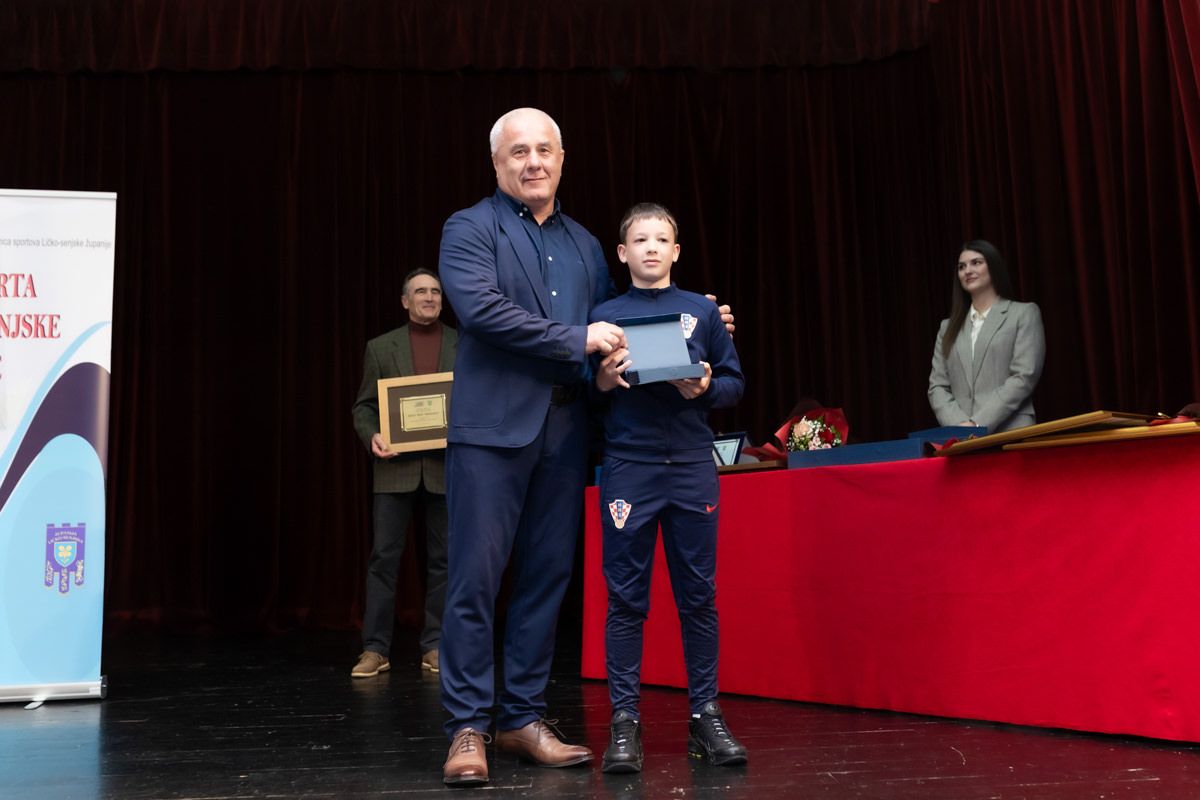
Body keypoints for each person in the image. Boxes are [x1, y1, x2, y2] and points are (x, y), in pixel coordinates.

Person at [436, 108, 734, 786]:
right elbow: (482, 311)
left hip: (567, 431)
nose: (533, 161)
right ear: (497, 163)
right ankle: (467, 727)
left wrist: (697, 320)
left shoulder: (588, 246)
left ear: (562, 159)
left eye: (544, 149)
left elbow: (623, 324)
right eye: (519, 152)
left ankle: (521, 718)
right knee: (476, 581)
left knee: (547, 580)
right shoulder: (469, 228)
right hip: (491, 433)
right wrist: (578, 339)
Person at [590, 203, 747, 773]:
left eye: (661, 239)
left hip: (689, 466)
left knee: (698, 597)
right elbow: (585, 391)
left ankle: (706, 715)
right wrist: (603, 379)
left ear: (676, 251)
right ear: (622, 252)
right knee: (626, 599)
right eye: (640, 239)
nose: (651, 247)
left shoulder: (700, 311)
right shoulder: (604, 316)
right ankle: (624, 722)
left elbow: (733, 383)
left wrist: (704, 387)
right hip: (628, 468)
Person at [350, 269, 456, 679]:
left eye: (435, 291)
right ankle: (375, 649)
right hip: (395, 469)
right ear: (405, 301)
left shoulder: (464, 344)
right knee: (383, 559)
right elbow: (364, 407)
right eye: (420, 291)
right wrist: (372, 435)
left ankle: (435, 645)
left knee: (444, 561)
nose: (429, 297)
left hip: (447, 469)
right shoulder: (381, 347)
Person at [928, 240, 1045, 433]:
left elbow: (1024, 376)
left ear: (993, 266)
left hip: (1012, 431)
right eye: (961, 267)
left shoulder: (1023, 314)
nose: (967, 271)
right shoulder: (947, 327)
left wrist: (978, 424)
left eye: (976, 262)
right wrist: (960, 426)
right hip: (963, 439)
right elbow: (937, 386)